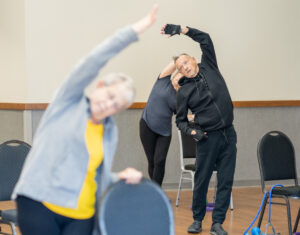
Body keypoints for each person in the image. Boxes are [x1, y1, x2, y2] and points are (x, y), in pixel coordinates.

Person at [12, 5, 158, 235]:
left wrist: (120, 176)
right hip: (40, 204)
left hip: (82, 215)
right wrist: (135, 30)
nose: (110, 105)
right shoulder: (68, 102)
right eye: (110, 96)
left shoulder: (108, 131)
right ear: (99, 85)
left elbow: (91, 173)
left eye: (117, 105)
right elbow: (95, 58)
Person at [161, 24, 237, 235]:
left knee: (225, 180)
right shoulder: (183, 92)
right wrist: (193, 132)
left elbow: (206, 39)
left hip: (228, 135)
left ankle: (218, 223)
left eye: (185, 61)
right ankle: (197, 220)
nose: (184, 66)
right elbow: (181, 121)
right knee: (202, 180)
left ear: (194, 59)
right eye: (180, 66)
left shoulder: (210, 66)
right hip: (207, 138)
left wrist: (183, 30)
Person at [139, 61, 181, 187]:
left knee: (160, 161)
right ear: (175, 75)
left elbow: (182, 115)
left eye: (184, 79)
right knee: (151, 161)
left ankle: (156, 193)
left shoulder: (182, 97)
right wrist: (187, 61)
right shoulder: (163, 80)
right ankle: (156, 193)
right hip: (147, 125)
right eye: (179, 76)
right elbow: (175, 62)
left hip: (165, 132)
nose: (180, 80)